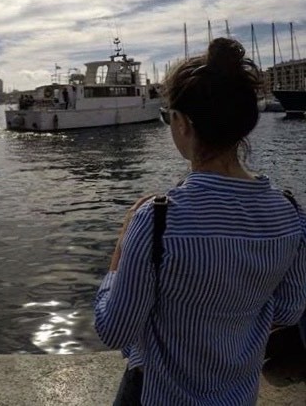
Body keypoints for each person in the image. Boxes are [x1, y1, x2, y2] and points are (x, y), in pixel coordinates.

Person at [94, 38, 306, 405]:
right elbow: (289, 309)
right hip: (238, 394)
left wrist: (120, 249)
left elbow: (114, 329)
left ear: (182, 123)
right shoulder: (290, 213)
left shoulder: (156, 220)